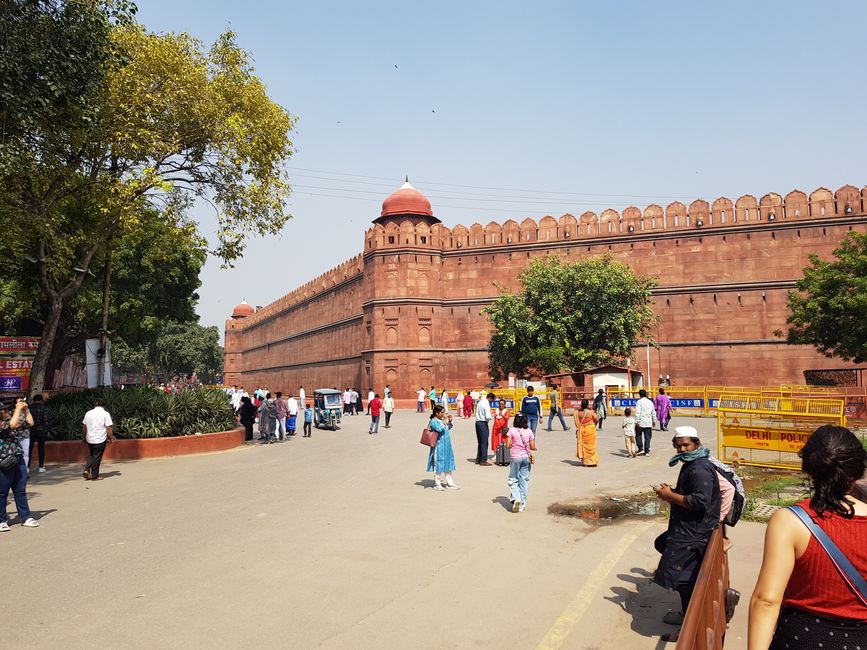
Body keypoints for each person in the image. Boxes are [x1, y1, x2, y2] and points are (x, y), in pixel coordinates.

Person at [748, 425, 867, 649]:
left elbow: (766, 600)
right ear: (858, 471)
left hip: (802, 638)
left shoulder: (790, 521)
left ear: (809, 470)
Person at [652, 427, 721, 628]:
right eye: (679, 445)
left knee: (682, 577)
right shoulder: (691, 463)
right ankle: (688, 612)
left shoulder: (699, 467)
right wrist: (672, 493)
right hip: (687, 527)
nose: (682, 449)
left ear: (696, 444)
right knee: (662, 544)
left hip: (694, 532)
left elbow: (701, 501)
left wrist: (670, 496)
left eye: (686, 445)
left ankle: (690, 621)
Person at [0, 401, 38, 530]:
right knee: (2, 492)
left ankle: (25, 517)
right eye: (3, 410)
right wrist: (17, 408)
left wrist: (26, 410)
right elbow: (11, 425)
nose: (6, 412)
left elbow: (30, 423)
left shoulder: (11, 419)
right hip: (4, 461)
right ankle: (1, 520)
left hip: (17, 458)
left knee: (20, 490)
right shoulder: (4, 423)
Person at [505, 413, 537, 513]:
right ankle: (522, 505)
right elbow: (532, 446)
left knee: (513, 479)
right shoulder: (529, 431)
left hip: (515, 457)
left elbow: (508, 445)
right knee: (523, 480)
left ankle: (516, 497)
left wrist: (514, 445)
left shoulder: (512, 430)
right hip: (526, 457)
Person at [426, 405, 459, 491]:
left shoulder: (441, 420)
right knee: (438, 463)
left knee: (448, 463)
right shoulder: (433, 421)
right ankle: (437, 484)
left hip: (447, 445)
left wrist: (449, 422)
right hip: (439, 446)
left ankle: (450, 483)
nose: (443, 414)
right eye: (442, 412)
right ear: (437, 413)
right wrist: (444, 420)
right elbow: (439, 429)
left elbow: (447, 428)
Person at [82, 398, 115, 481]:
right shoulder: (105, 414)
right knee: (97, 457)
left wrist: (84, 437)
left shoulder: (88, 413)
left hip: (90, 438)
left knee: (92, 454)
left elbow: (84, 426)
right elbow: (109, 428)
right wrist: (111, 438)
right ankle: (95, 476)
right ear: (104, 405)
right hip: (100, 438)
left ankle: (86, 469)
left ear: (96, 404)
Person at [573, 399, 598, 466]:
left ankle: (585, 462)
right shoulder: (591, 412)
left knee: (583, 445)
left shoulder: (577, 413)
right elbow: (597, 419)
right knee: (591, 445)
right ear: (587, 405)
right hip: (590, 430)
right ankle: (592, 461)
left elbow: (577, 422)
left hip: (582, 430)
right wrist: (593, 425)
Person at [28, 394, 47, 473]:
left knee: (29, 448)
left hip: (31, 430)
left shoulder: (29, 408)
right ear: (41, 400)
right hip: (40, 429)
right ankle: (41, 466)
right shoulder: (43, 408)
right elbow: (45, 419)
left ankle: (27, 466)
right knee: (41, 448)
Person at [474, 392, 495, 465]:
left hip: (477, 422)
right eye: (492, 400)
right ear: (490, 398)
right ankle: (483, 460)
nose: (492, 402)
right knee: (484, 442)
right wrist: (493, 416)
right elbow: (487, 416)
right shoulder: (486, 404)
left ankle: (478, 459)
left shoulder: (480, 402)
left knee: (480, 442)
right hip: (483, 423)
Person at [634, 389, 656, 456]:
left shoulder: (639, 402)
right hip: (648, 421)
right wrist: (654, 420)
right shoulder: (650, 402)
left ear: (639, 394)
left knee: (638, 435)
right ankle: (647, 450)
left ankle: (641, 448)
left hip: (641, 421)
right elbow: (653, 411)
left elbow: (638, 412)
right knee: (648, 437)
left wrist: (637, 421)